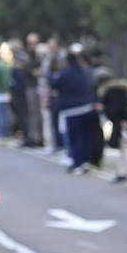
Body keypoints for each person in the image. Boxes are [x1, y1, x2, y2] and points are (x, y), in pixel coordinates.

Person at [51, 45, 99, 175]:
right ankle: (85, 162)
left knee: (75, 137)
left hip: (72, 110)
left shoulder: (65, 74)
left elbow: (54, 85)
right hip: (87, 107)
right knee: (86, 137)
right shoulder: (85, 72)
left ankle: (77, 163)